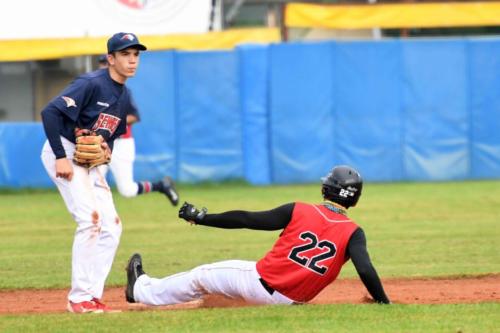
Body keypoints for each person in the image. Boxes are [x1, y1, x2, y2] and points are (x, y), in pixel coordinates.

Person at [40, 32, 178, 314]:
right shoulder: (90, 84)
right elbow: (49, 113)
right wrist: (59, 158)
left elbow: (111, 134)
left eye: (136, 54)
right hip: (64, 151)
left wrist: (106, 151)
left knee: (112, 227)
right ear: (111, 59)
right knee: (90, 220)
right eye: (125, 54)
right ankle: (79, 298)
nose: (132, 60)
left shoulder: (124, 96)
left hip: (87, 161)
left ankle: (91, 295)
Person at [125, 165, 391, 307]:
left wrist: (203, 217)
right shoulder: (354, 232)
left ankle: (140, 290)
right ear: (355, 199)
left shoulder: (300, 209)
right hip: (290, 302)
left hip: (258, 284)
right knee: (219, 286)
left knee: (201, 275)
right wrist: (384, 302)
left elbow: (247, 220)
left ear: (326, 189)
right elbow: (366, 270)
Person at [96, 55, 179, 203]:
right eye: (101, 63)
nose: (103, 66)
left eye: (105, 64)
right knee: (93, 184)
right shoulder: (93, 90)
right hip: (100, 144)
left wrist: (110, 121)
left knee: (127, 190)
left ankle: (161, 185)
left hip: (122, 143)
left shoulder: (122, 91)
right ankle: (98, 222)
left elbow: (134, 117)